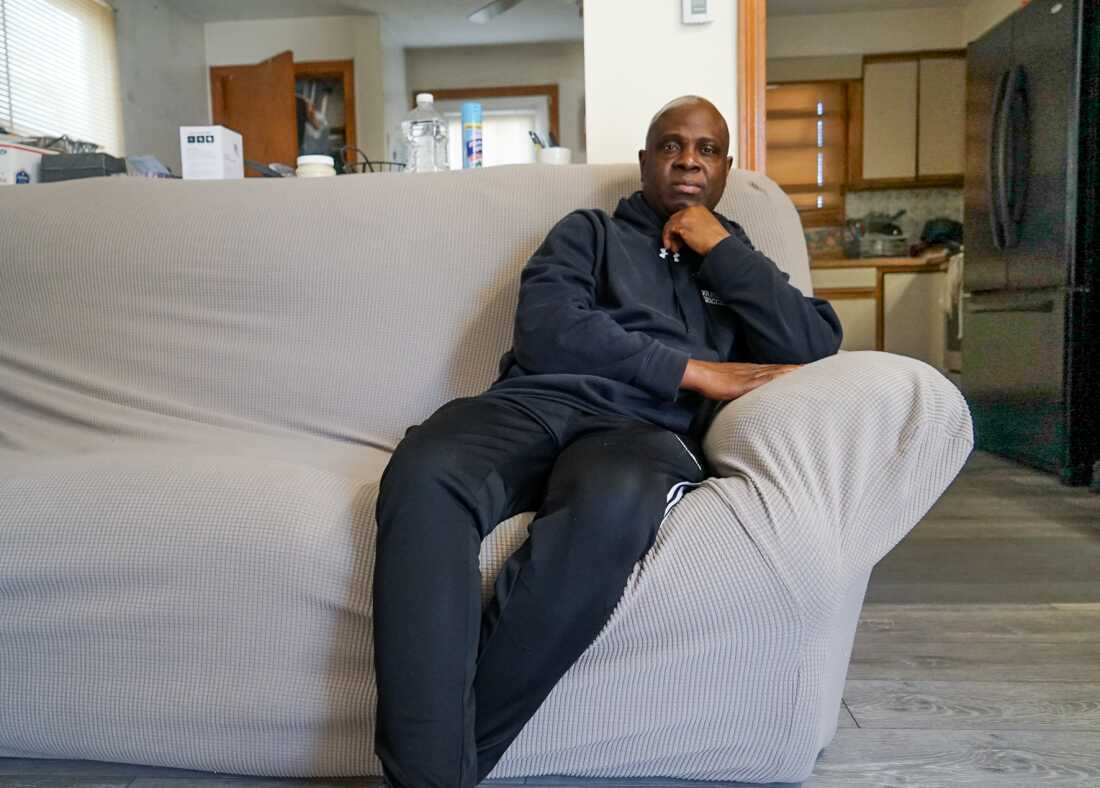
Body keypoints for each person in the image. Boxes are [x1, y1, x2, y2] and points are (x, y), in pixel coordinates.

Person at [372, 95, 843, 788]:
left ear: (726, 168)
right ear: (647, 160)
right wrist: (692, 370)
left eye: (707, 149)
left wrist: (719, 248)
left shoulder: (739, 263)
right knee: (425, 472)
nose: (688, 158)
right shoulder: (588, 232)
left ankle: (434, 772)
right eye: (672, 145)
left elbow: (812, 346)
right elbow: (549, 327)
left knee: (615, 503)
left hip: (641, 432)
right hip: (535, 404)